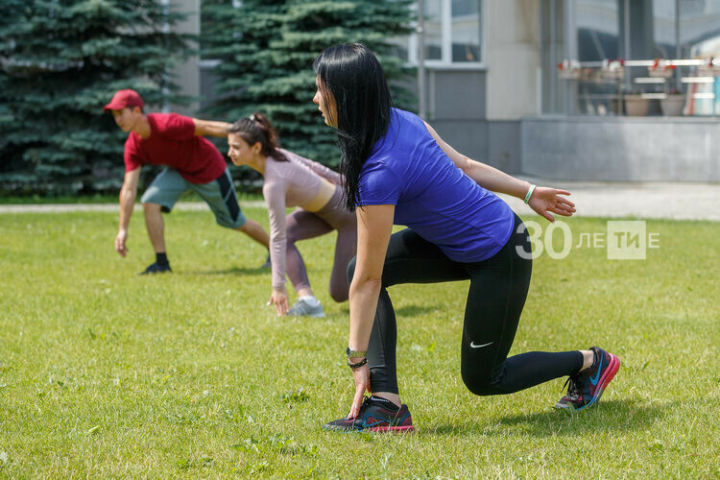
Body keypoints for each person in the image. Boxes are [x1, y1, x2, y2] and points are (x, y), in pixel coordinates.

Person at [312, 44, 621, 432]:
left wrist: (356, 359)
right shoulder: (399, 121)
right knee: (361, 266)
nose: (315, 98)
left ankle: (591, 362)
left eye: (321, 89)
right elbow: (468, 167)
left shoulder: (382, 168)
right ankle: (387, 406)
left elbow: (369, 282)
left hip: (501, 251)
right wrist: (527, 191)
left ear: (347, 96)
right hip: (452, 246)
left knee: (485, 378)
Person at [103, 89, 270, 274]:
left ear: (136, 111)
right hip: (180, 172)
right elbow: (128, 188)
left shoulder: (166, 124)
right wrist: (122, 230)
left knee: (236, 222)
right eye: (114, 115)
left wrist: (247, 133)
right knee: (150, 201)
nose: (117, 120)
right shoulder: (133, 146)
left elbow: (206, 127)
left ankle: (276, 251)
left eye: (121, 113)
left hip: (209, 170)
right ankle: (161, 263)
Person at [226, 113, 357, 317]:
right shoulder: (276, 156)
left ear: (256, 148)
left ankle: (376, 274)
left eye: (235, 147)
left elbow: (276, 237)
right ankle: (308, 301)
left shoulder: (274, 181)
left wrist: (278, 287)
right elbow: (314, 167)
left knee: (339, 293)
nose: (229, 152)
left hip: (347, 216)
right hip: (321, 212)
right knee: (287, 231)